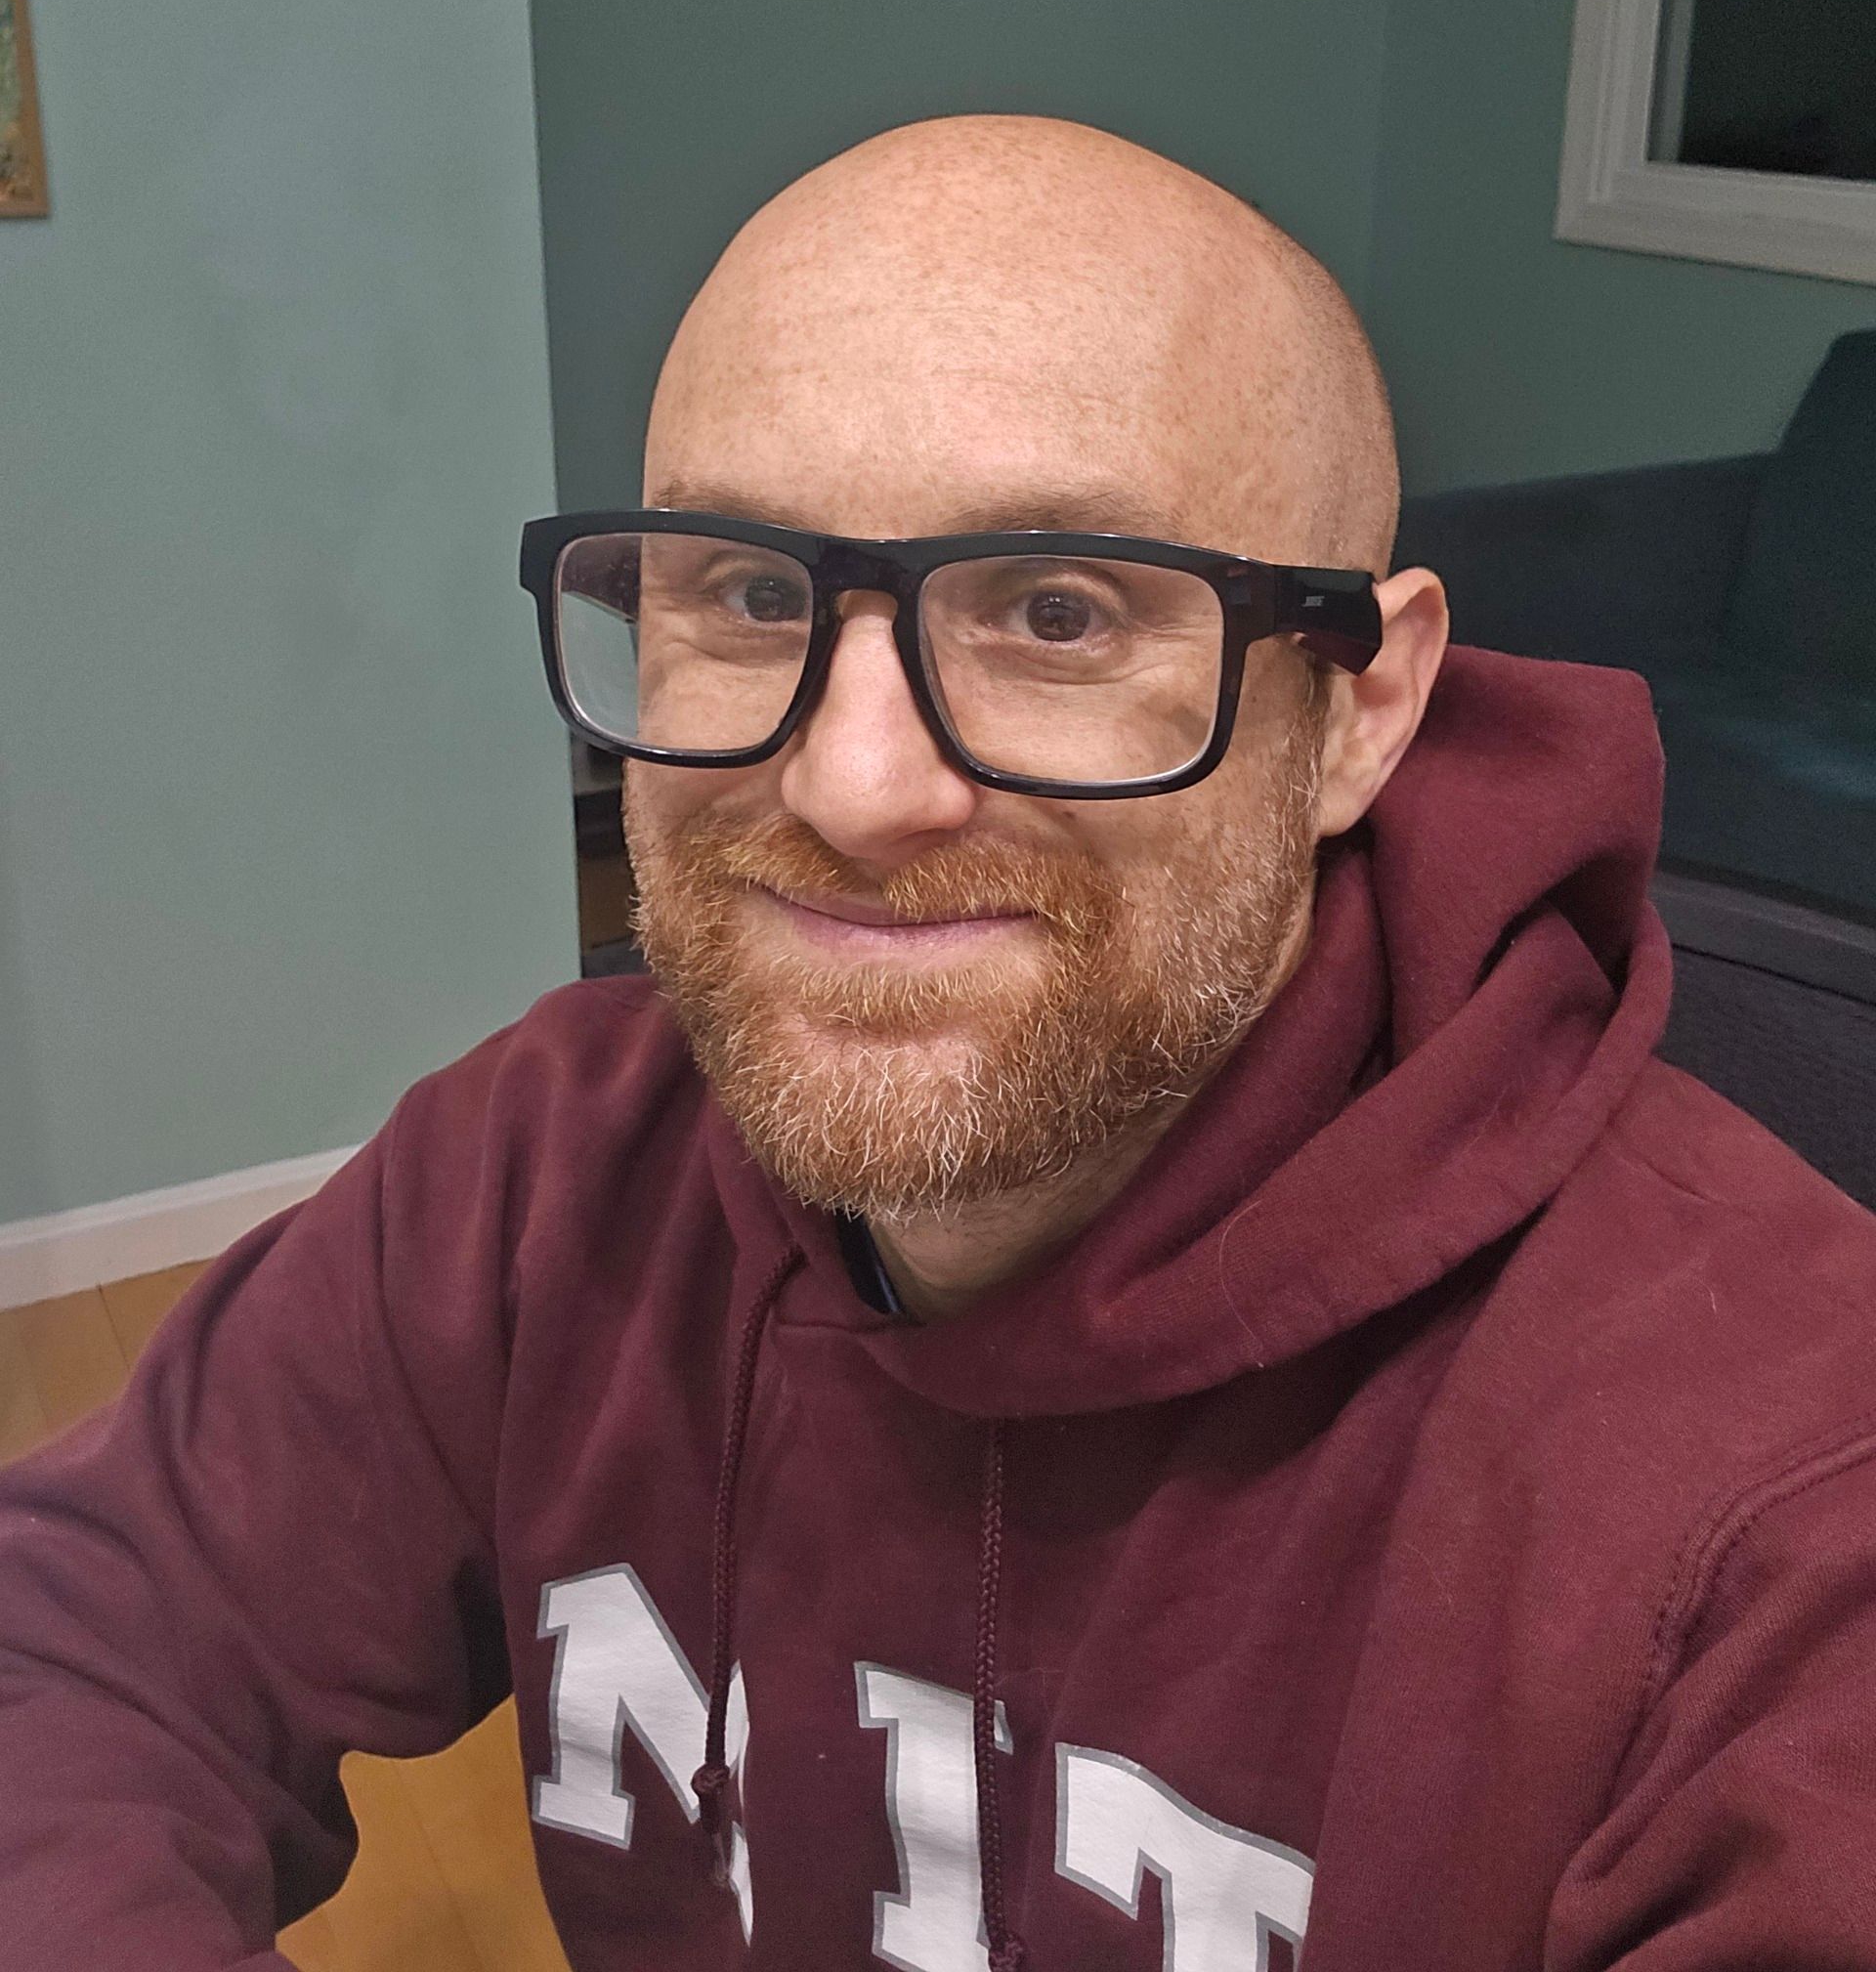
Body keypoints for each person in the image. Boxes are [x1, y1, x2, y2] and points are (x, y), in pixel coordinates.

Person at [4, 114, 1875, 1972]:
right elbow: (67, 1653)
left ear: (1359, 711)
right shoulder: (550, 1168)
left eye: (1059, 613)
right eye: (751, 595)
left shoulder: (1780, 1507)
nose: (854, 787)